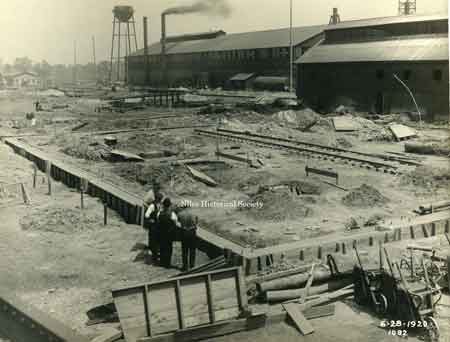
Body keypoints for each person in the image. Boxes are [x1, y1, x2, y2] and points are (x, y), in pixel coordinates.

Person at [157, 197, 181, 268]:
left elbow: (158, 221)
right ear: (169, 205)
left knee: (162, 247)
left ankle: (162, 262)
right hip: (169, 234)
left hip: (161, 233)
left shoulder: (159, 213)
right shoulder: (172, 214)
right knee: (168, 248)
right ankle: (167, 263)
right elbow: (176, 223)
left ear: (163, 205)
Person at [144, 191, 163, 264]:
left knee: (158, 240)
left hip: (158, 226)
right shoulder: (152, 206)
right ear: (157, 199)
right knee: (153, 241)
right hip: (153, 226)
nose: (161, 200)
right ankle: (154, 257)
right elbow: (146, 215)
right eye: (160, 199)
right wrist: (151, 220)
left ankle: (156, 254)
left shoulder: (160, 205)